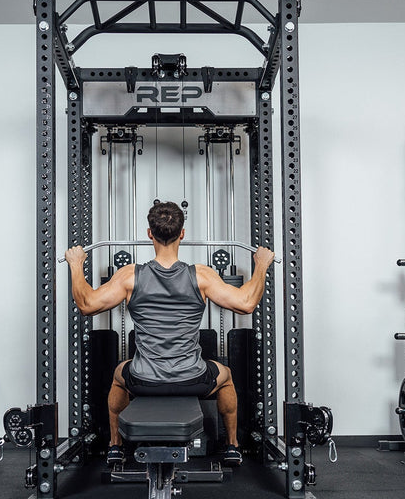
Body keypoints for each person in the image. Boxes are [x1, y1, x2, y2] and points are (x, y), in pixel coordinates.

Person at [65, 200, 276, 467]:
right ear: (182, 234)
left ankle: (115, 446)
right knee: (226, 376)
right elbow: (246, 303)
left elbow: (86, 304)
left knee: (119, 375)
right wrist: (261, 265)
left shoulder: (130, 276)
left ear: (150, 234)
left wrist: (76, 264)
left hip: (144, 380)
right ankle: (232, 446)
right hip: (192, 378)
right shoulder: (201, 276)